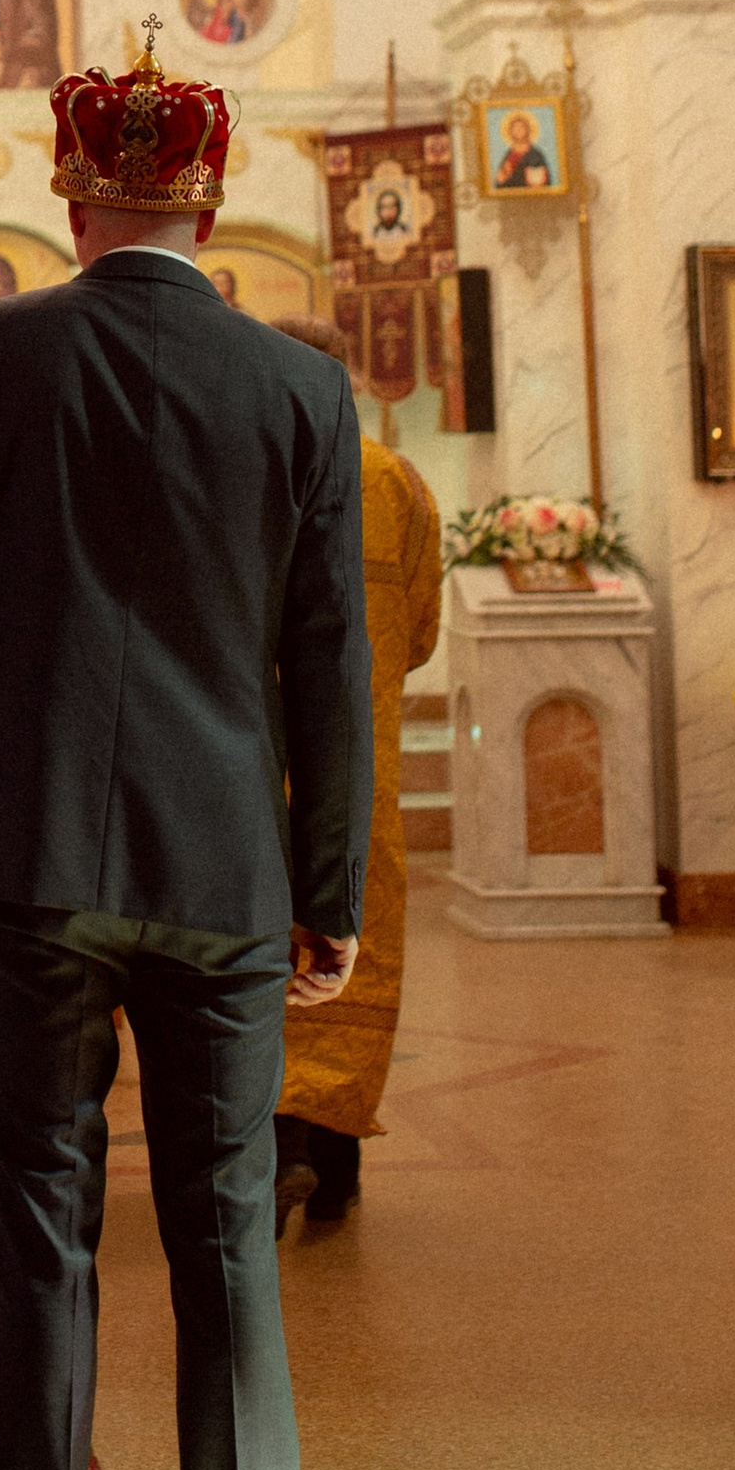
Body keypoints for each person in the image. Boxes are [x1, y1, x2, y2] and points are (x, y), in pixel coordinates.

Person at [0, 27, 370, 1470]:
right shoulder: (299, 386)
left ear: (70, 191)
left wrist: (12, 712)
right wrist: (330, 880)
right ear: (211, 197)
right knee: (226, 1228)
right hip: (227, 860)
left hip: (28, 852)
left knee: (39, 1228)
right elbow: (327, 659)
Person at [269, 318, 443, 1231]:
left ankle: (276, 1143)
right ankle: (334, 1158)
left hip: (253, 763)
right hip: (357, 768)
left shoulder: (241, 470)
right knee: (352, 924)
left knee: (256, 941)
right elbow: (420, 633)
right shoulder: (394, 481)